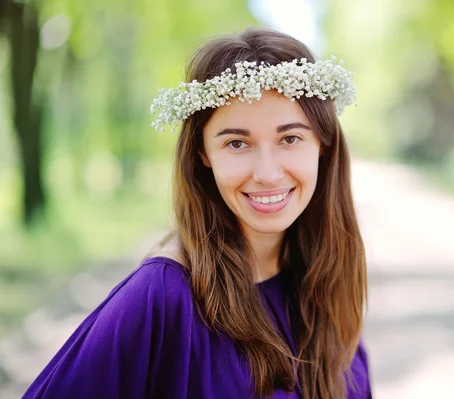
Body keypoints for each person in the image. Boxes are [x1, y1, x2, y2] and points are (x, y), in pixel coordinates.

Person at [23, 27, 371, 399]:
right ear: (203, 154)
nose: (267, 173)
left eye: (290, 138)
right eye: (237, 143)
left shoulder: (325, 282)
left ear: (322, 145)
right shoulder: (160, 296)